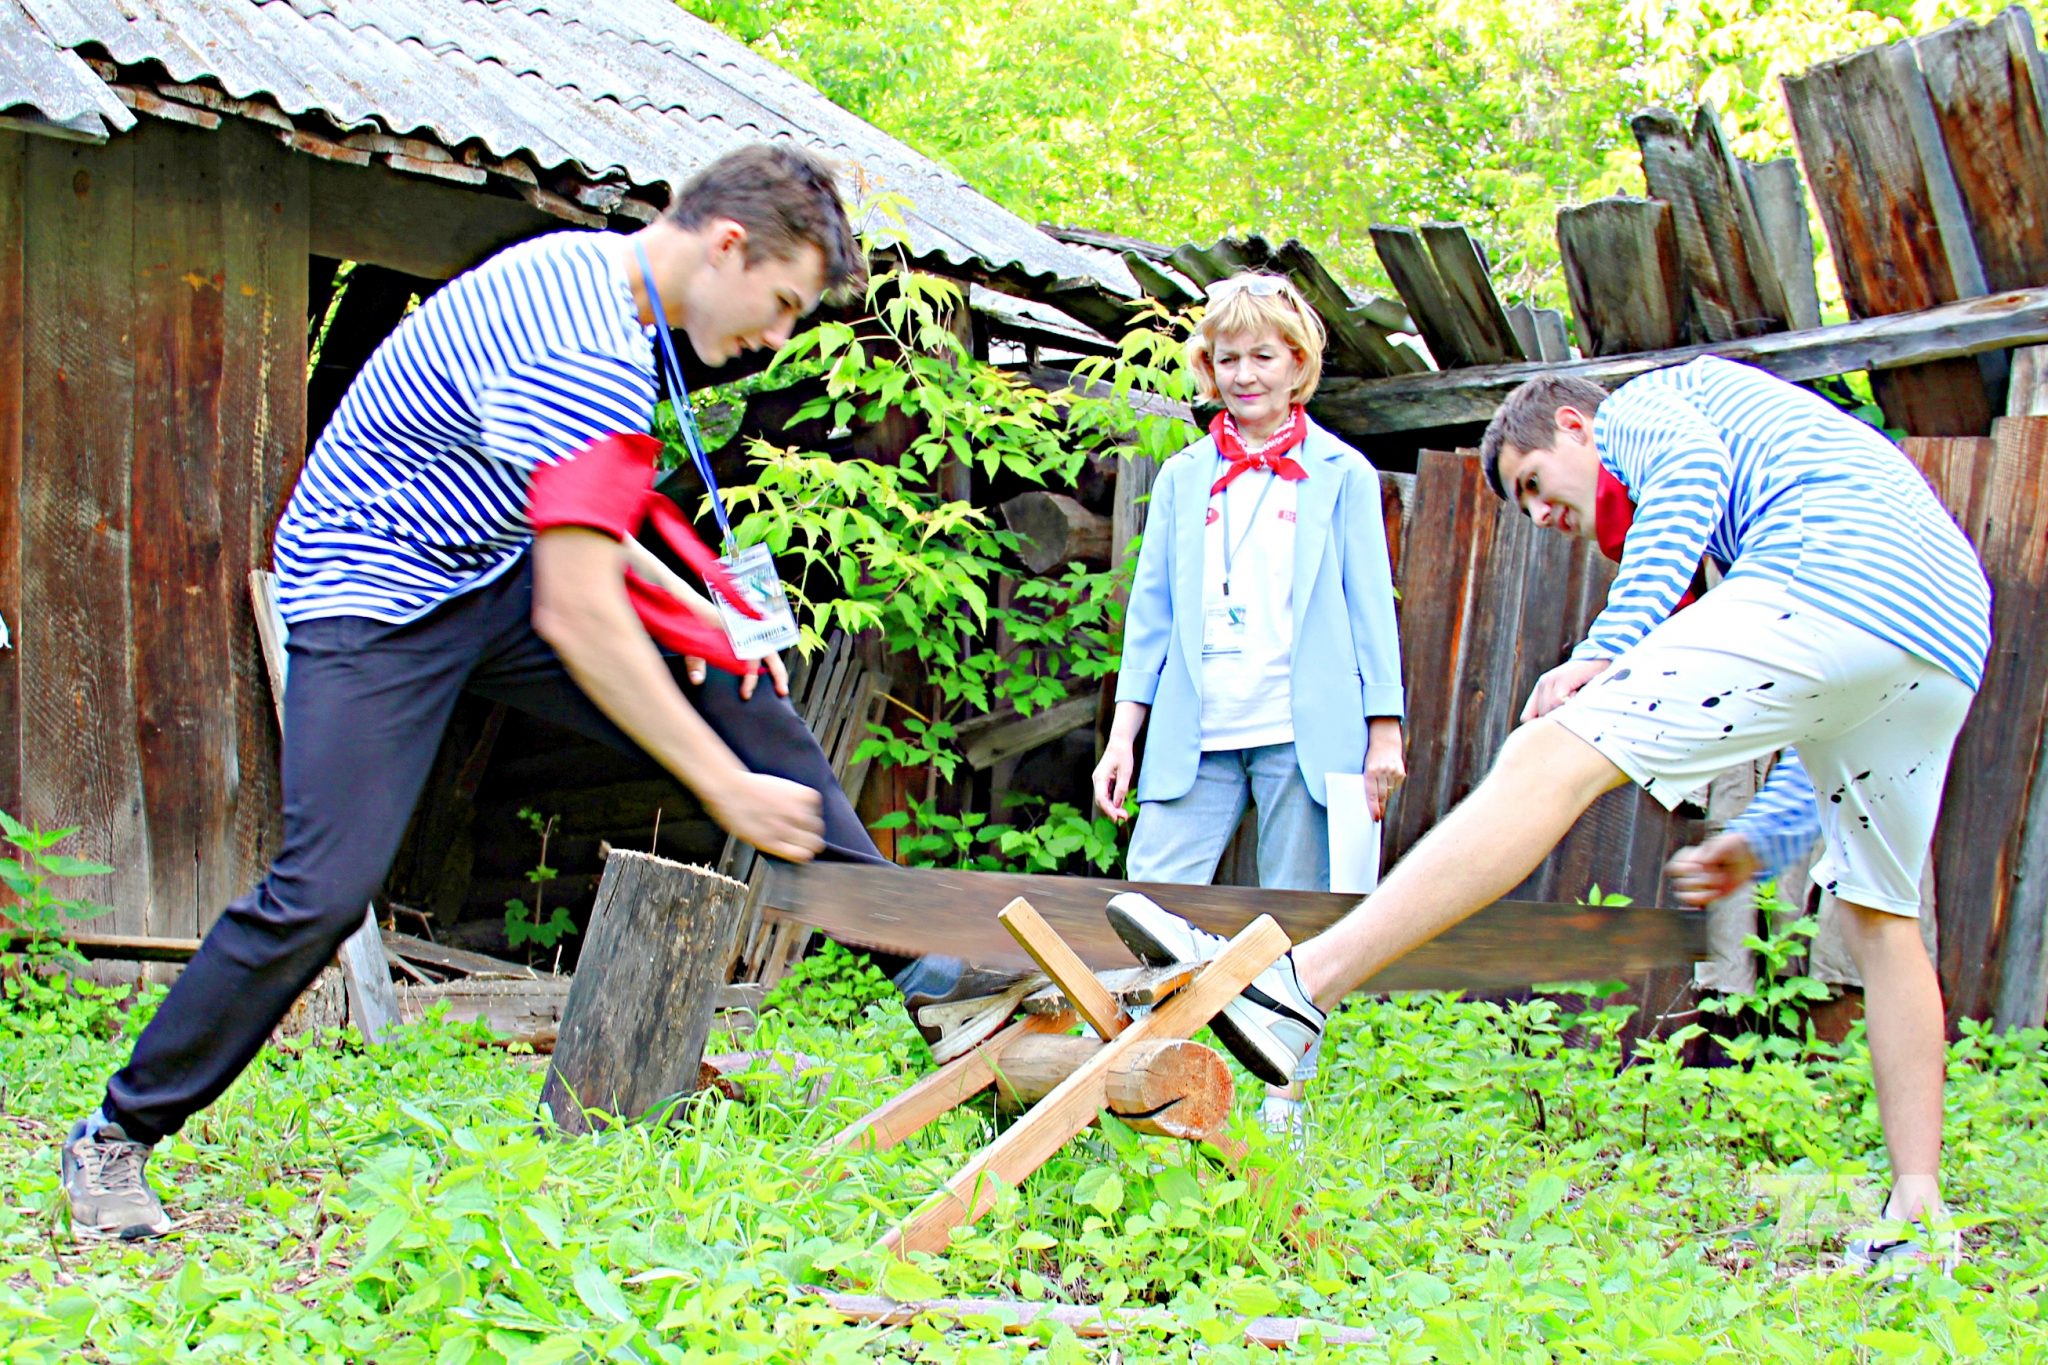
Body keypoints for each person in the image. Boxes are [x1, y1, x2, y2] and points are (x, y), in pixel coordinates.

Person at [57, 144, 966, 1241]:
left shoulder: (608, 292)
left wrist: (702, 609)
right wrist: (719, 786)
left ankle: (933, 974)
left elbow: (576, 518)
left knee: (735, 680)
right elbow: (577, 612)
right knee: (325, 885)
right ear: (727, 244)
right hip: (372, 596)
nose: (775, 337)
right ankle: (115, 1136)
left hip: (485, 565)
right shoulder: (584, 343)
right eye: (779, 304)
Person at [1105, 357, 1986, 1270]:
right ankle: (1919, 1215)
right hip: (1943, 628)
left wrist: (1604, 649)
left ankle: (1302, 988)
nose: (1542, 516)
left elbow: (1683, 479)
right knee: (1882, 917)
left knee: (1548, 747)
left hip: (1842, 574)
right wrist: (1760, 841)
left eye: (1532, 485)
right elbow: (1833, 719)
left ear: (1574, 426)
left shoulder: (1647, 405)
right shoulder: (1782, 508)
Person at [1090, 272, 1404, 1125]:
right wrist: (1125, 737)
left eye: (1264, 355)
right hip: (1196, 730)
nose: (1245, 373)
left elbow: (1372, 607)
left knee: (1294, 920)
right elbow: (1150, 616)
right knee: (1148, 901)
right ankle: (1135, 1078)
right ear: (1207, 367)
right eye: (1227, 357)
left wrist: (1385, 732)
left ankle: (1281, 1100)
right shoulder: (1187, 477)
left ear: (1298, 364)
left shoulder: (1342, 474)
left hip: (1307, 732)